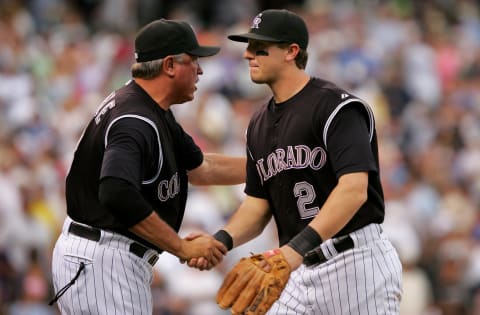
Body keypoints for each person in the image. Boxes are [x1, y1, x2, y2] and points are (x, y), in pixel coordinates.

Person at [201, 9, 403, 314]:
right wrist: (221, 241)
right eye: (248, 46)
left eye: (259, 47)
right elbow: (257, 205)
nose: (247, 54)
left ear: (291, 51)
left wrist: (294, 250)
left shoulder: (336, 107)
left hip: (355, 264)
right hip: (296, 269)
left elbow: (353, 190)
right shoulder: (258, 123)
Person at [50, 18, 245, 314]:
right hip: (106, 259)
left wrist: (267, 167)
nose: (201, 70)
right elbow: (115, 191)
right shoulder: (135, 119)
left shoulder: (150, 108)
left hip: (105, 259)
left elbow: (201, 168)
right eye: (193, 61)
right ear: (169, 65)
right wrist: (181, 247)